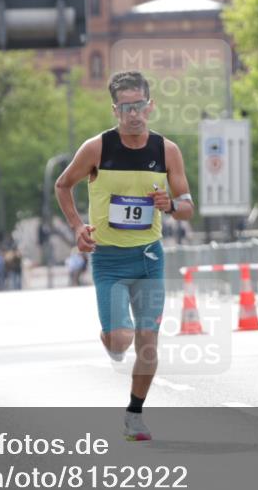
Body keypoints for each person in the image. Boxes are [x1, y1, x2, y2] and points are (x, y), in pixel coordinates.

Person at [55, 70, 195, 442]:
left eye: (139, 106)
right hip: (109, 260)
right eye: (125, 108)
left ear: (150, 107)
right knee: (120, 340)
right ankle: (111, 339)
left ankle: (134, 414)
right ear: (115, 110)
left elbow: (187, 206)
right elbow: (63, 184)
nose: (134, 114)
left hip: (149, 258)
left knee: (147, 343)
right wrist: (76, 226)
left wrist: (171, 205)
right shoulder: (97, 148)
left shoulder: (167, 151)